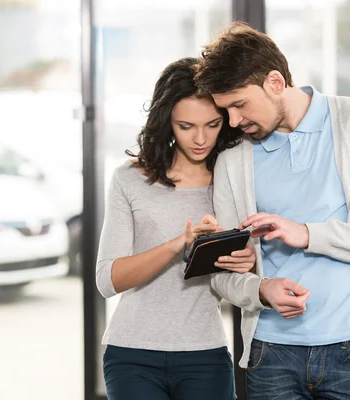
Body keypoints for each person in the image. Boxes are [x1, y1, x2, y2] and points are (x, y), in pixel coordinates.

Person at [194, 22, 350, 399]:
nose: (233, 122)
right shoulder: (234, 160)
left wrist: (308, 233)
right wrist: (261, 290)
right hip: (270, 355)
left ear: (275, 82)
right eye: (225, 109)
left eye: (239, 104)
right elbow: (221, 274)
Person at [96, 57, 262, 400]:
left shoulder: (232, 181)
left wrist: (247, 260)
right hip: (131, 353)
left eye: (213, 124)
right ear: (166, 122)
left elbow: (245, 273)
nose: (200, 138)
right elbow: (107, 280)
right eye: (186, 126)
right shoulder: (129, 180)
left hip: (205, 352)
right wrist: (177, 245)